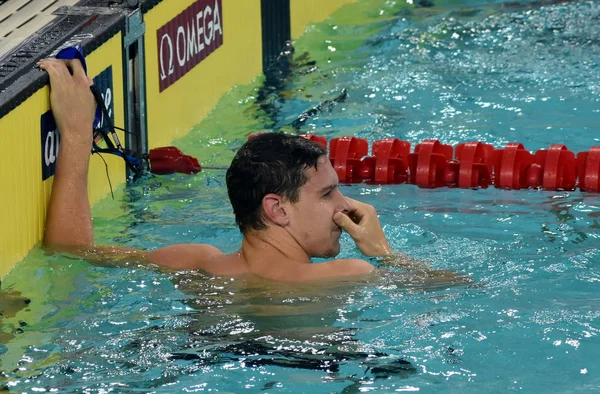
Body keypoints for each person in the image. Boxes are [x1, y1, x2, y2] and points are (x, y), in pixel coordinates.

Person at [38, 58, 465, 283]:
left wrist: (76, 133)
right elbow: (459, 290)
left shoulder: (195, 263)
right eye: (327, 193)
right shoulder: (348, 274)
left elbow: (69, 249)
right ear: (277, 209)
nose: (346, 206)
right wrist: (382, 253)